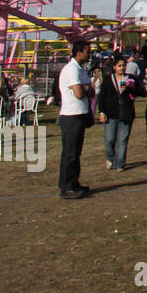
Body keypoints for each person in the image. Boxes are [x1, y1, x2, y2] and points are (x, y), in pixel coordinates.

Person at [57, 41, 94, 198]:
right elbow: (79, 92)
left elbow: (90, 90)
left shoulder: (81, 70)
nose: (89, 54)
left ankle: (74, 182)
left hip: (80, 114)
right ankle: (66, 186)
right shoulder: (71, 70)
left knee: (76, 152)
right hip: (71, 115)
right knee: (70, 153)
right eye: (87, 51)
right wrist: (86, 89)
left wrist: (86, 89)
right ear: (78, 52)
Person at [97, 57, 138, 171]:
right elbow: (102, 97)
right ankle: (110, 157)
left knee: (123, 139)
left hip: (126, 113)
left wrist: (129, 88)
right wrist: (102, 112)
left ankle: (119, 163)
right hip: (111, 113)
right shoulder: (108, 79)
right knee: (110, 138)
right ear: (114, 67)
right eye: (119, 66)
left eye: (124, 65)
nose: (122, 68)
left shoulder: (130, 78)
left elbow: (138, 91)